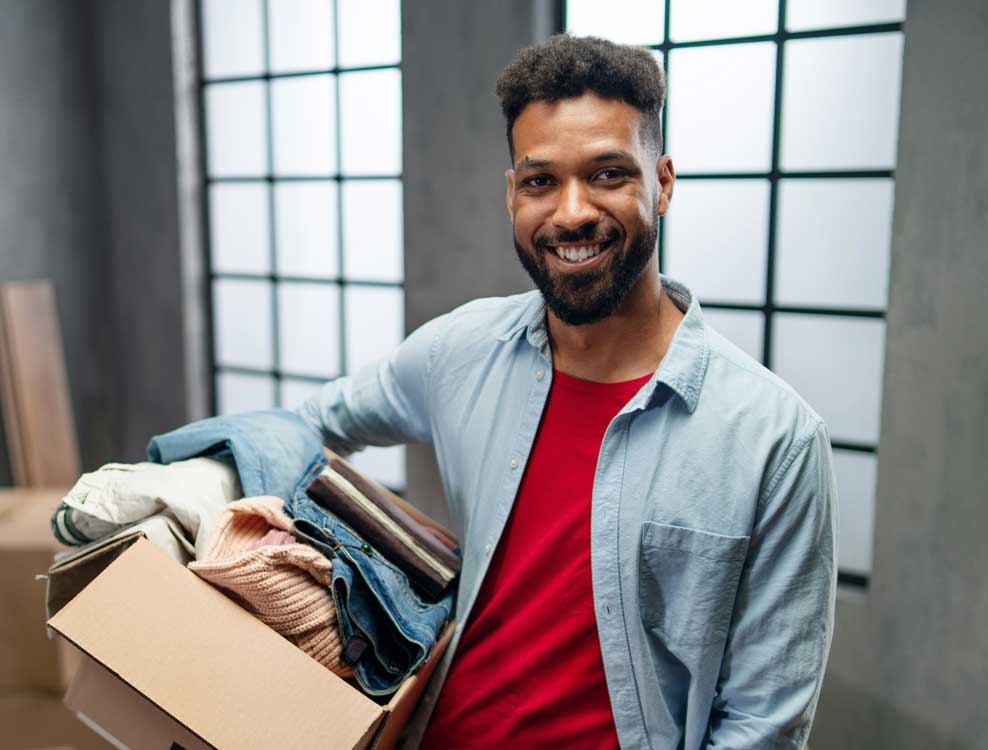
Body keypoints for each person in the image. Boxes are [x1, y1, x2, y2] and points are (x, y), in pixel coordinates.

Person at [297, 34, 837, 750]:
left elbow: (763, 725)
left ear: (663, 182)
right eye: (541, 181)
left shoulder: (774, 437)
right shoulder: (460, 351)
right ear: (511, 193)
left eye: (608, 174)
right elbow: (303, 426)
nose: (571, 213)